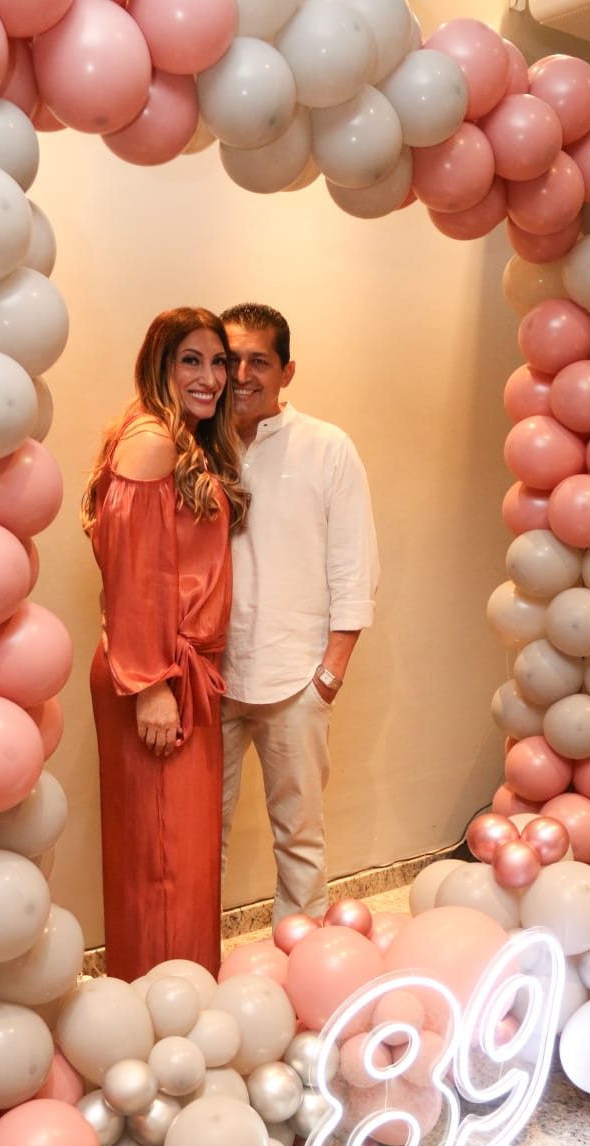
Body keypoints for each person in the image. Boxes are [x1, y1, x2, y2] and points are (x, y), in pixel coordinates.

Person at [81, 307, 248, 982]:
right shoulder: (151, 441)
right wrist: (151, 685)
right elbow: (136, 578)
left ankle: (182, 1001)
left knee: (176, 857)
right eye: (191, 360)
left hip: (182, 673)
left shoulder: (180, 441)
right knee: (163, 862)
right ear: (160, 364)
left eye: (218, 362)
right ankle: (161, 1012)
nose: (210, 377)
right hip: (154, 676)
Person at [219, 302, 379, 928]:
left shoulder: (327, 447)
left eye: (258, 361)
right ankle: (195, 964)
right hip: (210, 677)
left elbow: (354, 565)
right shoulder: (196, 444)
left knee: (300, 836)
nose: (241, 376)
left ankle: (303, 961)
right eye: (231, 360)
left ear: (287, 371)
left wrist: (329, 674)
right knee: (199, 837)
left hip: (297, 676)